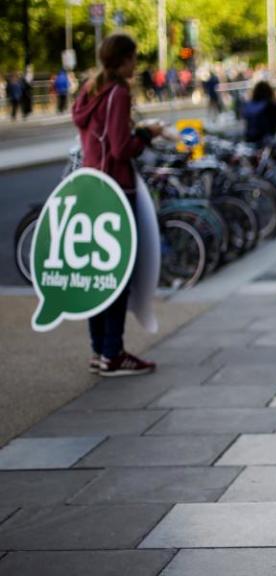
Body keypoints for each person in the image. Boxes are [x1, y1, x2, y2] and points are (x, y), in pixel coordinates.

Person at [72, 33, 162, 376]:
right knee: (118, 272)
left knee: (97, 271)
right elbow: (121, 148)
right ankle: (114, 353)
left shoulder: (90, 90)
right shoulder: (119, 93)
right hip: (118, 190)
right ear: (123, 60)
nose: (136, 64)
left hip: (92, 186)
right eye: (133, 58)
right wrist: (146, 134)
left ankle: (99, 351)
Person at [241, 80, 276, 145]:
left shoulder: (249, 105)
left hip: (249, 139)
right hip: (265, 140)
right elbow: (275, 124)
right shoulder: (271, 106)